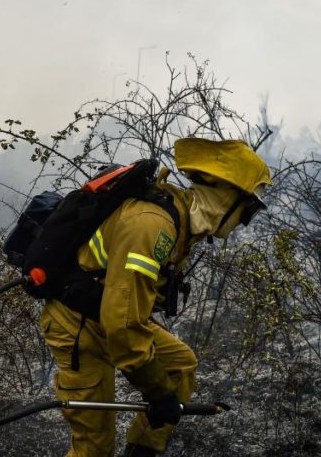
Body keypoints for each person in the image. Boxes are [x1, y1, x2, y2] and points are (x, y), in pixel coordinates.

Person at [40, 138, 273, 456]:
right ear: (226, 197)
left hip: (105, 316)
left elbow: (125, 313)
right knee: (94, 448)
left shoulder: (179, 224)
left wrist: (163, 394)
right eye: (247, 212)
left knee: (179, 367)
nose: (243, 221)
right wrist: (159, 394)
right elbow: (122, 326)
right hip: (77, 327)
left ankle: (142, 451)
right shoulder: (153, 226)